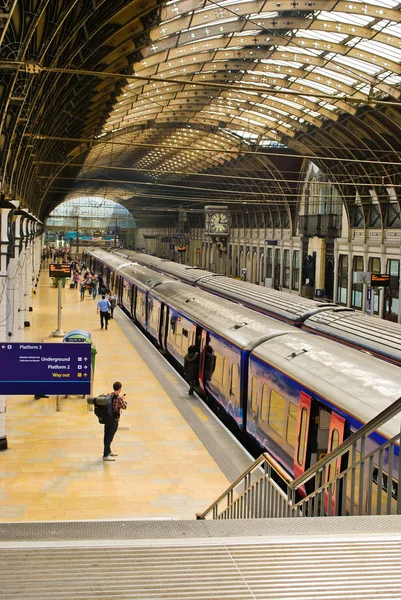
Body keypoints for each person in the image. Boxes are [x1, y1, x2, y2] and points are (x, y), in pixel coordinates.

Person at [103, 381, 127, 461]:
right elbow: (124, 406)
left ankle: (108, 451)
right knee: (110, 436)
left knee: (107, 435)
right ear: (120, 389)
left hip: (107, 419)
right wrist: (124, 400)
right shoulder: (119, 398)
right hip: (114, 420)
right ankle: (106, 455)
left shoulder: (109, 395)